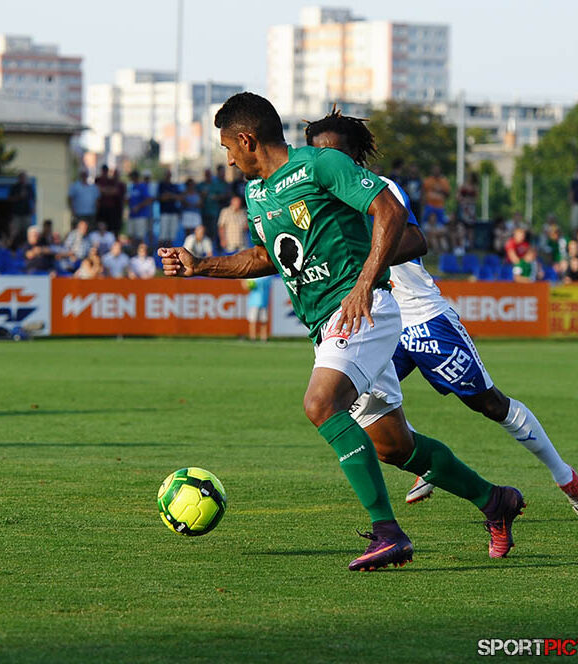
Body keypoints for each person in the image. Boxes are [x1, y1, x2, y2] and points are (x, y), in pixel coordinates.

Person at [160, 92, 523, 571]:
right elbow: (267, 255)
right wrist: (200, 265)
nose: (227, 158)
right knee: (395, 447)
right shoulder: (258, 193)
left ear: (247, 140)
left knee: (319, 404)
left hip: (363, 310)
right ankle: (494, 500)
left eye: (228, 147)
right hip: (329, 322)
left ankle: (387, 533)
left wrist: (364, 284)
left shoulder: (320, 166)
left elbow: (390, 210)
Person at [303, 110, 577, 516]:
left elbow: (415, 241)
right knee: (362, 415)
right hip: (376, 324)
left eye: (333, 151)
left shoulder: (380, 190)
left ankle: (566, 478)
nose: (327, 161)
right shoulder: (314, 200)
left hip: (421, 319)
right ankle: (428, 464)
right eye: (317, 153)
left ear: (353, 154)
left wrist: (358, 262)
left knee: (489, 403)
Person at [198, 166, 230, 243]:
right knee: (204, 230)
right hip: (203, 211)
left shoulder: (215, 184)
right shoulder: (201, 185)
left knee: (213, 231)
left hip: (214, 211)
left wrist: (216, 197)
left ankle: (212, 247)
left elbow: (223, 195)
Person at [127, 170, 154, 247]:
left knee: (140, 237)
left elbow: (148, 199)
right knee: (131, 235)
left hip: (141, 215)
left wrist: (138, 206)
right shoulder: (131, 187)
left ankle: (141, 253)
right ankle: (133, 254)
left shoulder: (142, 186)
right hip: (132, 215)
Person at [96, 165, 126, 234]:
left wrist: (104, 191)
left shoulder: (118, 183)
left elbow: (115, 191)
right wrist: (107, 190)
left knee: (113, 228)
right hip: (102, 207)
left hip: (114, 209)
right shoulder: (99, 179)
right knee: (102, 226)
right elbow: (99, 189)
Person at [8, 172, 35, 249]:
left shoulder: (29, 187)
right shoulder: (15, 187)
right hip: (17, 214)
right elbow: (10, 199)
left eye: (24, 178)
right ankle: (13, 247)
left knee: (27, 231)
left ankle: (27, 247)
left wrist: (33, 208)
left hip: (26, 213)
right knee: (15, 232)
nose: (23, 179)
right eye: (21, 178)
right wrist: (19, 197)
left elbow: (33, 199)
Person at [157, 169, 181, 247]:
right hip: (165, 212)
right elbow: (161, 197)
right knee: (163, 235)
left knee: (171, 236)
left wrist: (170, 195)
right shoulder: (161, 185)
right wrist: (171, 196)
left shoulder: (174, 186)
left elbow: (178, 197)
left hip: (173, 212)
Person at [422, 164, 451, 230]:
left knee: (440, 226)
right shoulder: (427, 180)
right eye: (434, 169)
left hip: (439, 207)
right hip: (429, 206)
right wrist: (423, 203)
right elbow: (423, 192)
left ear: (440, 170)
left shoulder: (444, 181)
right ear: (432, 170)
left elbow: (448, 194)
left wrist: (441, 190)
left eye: (437, 169)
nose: (436, 171)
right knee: (426, 226)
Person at [245, 276, 271, 341]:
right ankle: (253, 337)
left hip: (264, 302)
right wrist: (248, 284)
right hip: (254, 302)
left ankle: (263, 338)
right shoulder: (252, 277)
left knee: (264, 321)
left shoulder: (267, 277)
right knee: (253, 321)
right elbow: (246, 286)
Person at [570, 166, 578, 234]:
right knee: (575, 223)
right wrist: (571, 201)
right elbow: (571, 191)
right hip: (576, 203)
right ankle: (575, 236)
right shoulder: (575, 180)